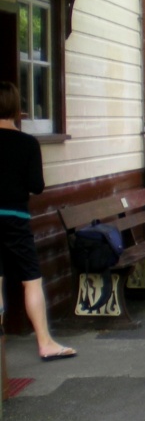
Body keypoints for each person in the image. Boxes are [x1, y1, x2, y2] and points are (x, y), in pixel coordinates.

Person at [0, 82, 77, 361]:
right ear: (15, 107)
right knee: (30, 280)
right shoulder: (28, 143)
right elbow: (37, 185)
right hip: (16, 217)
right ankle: (45, 343)